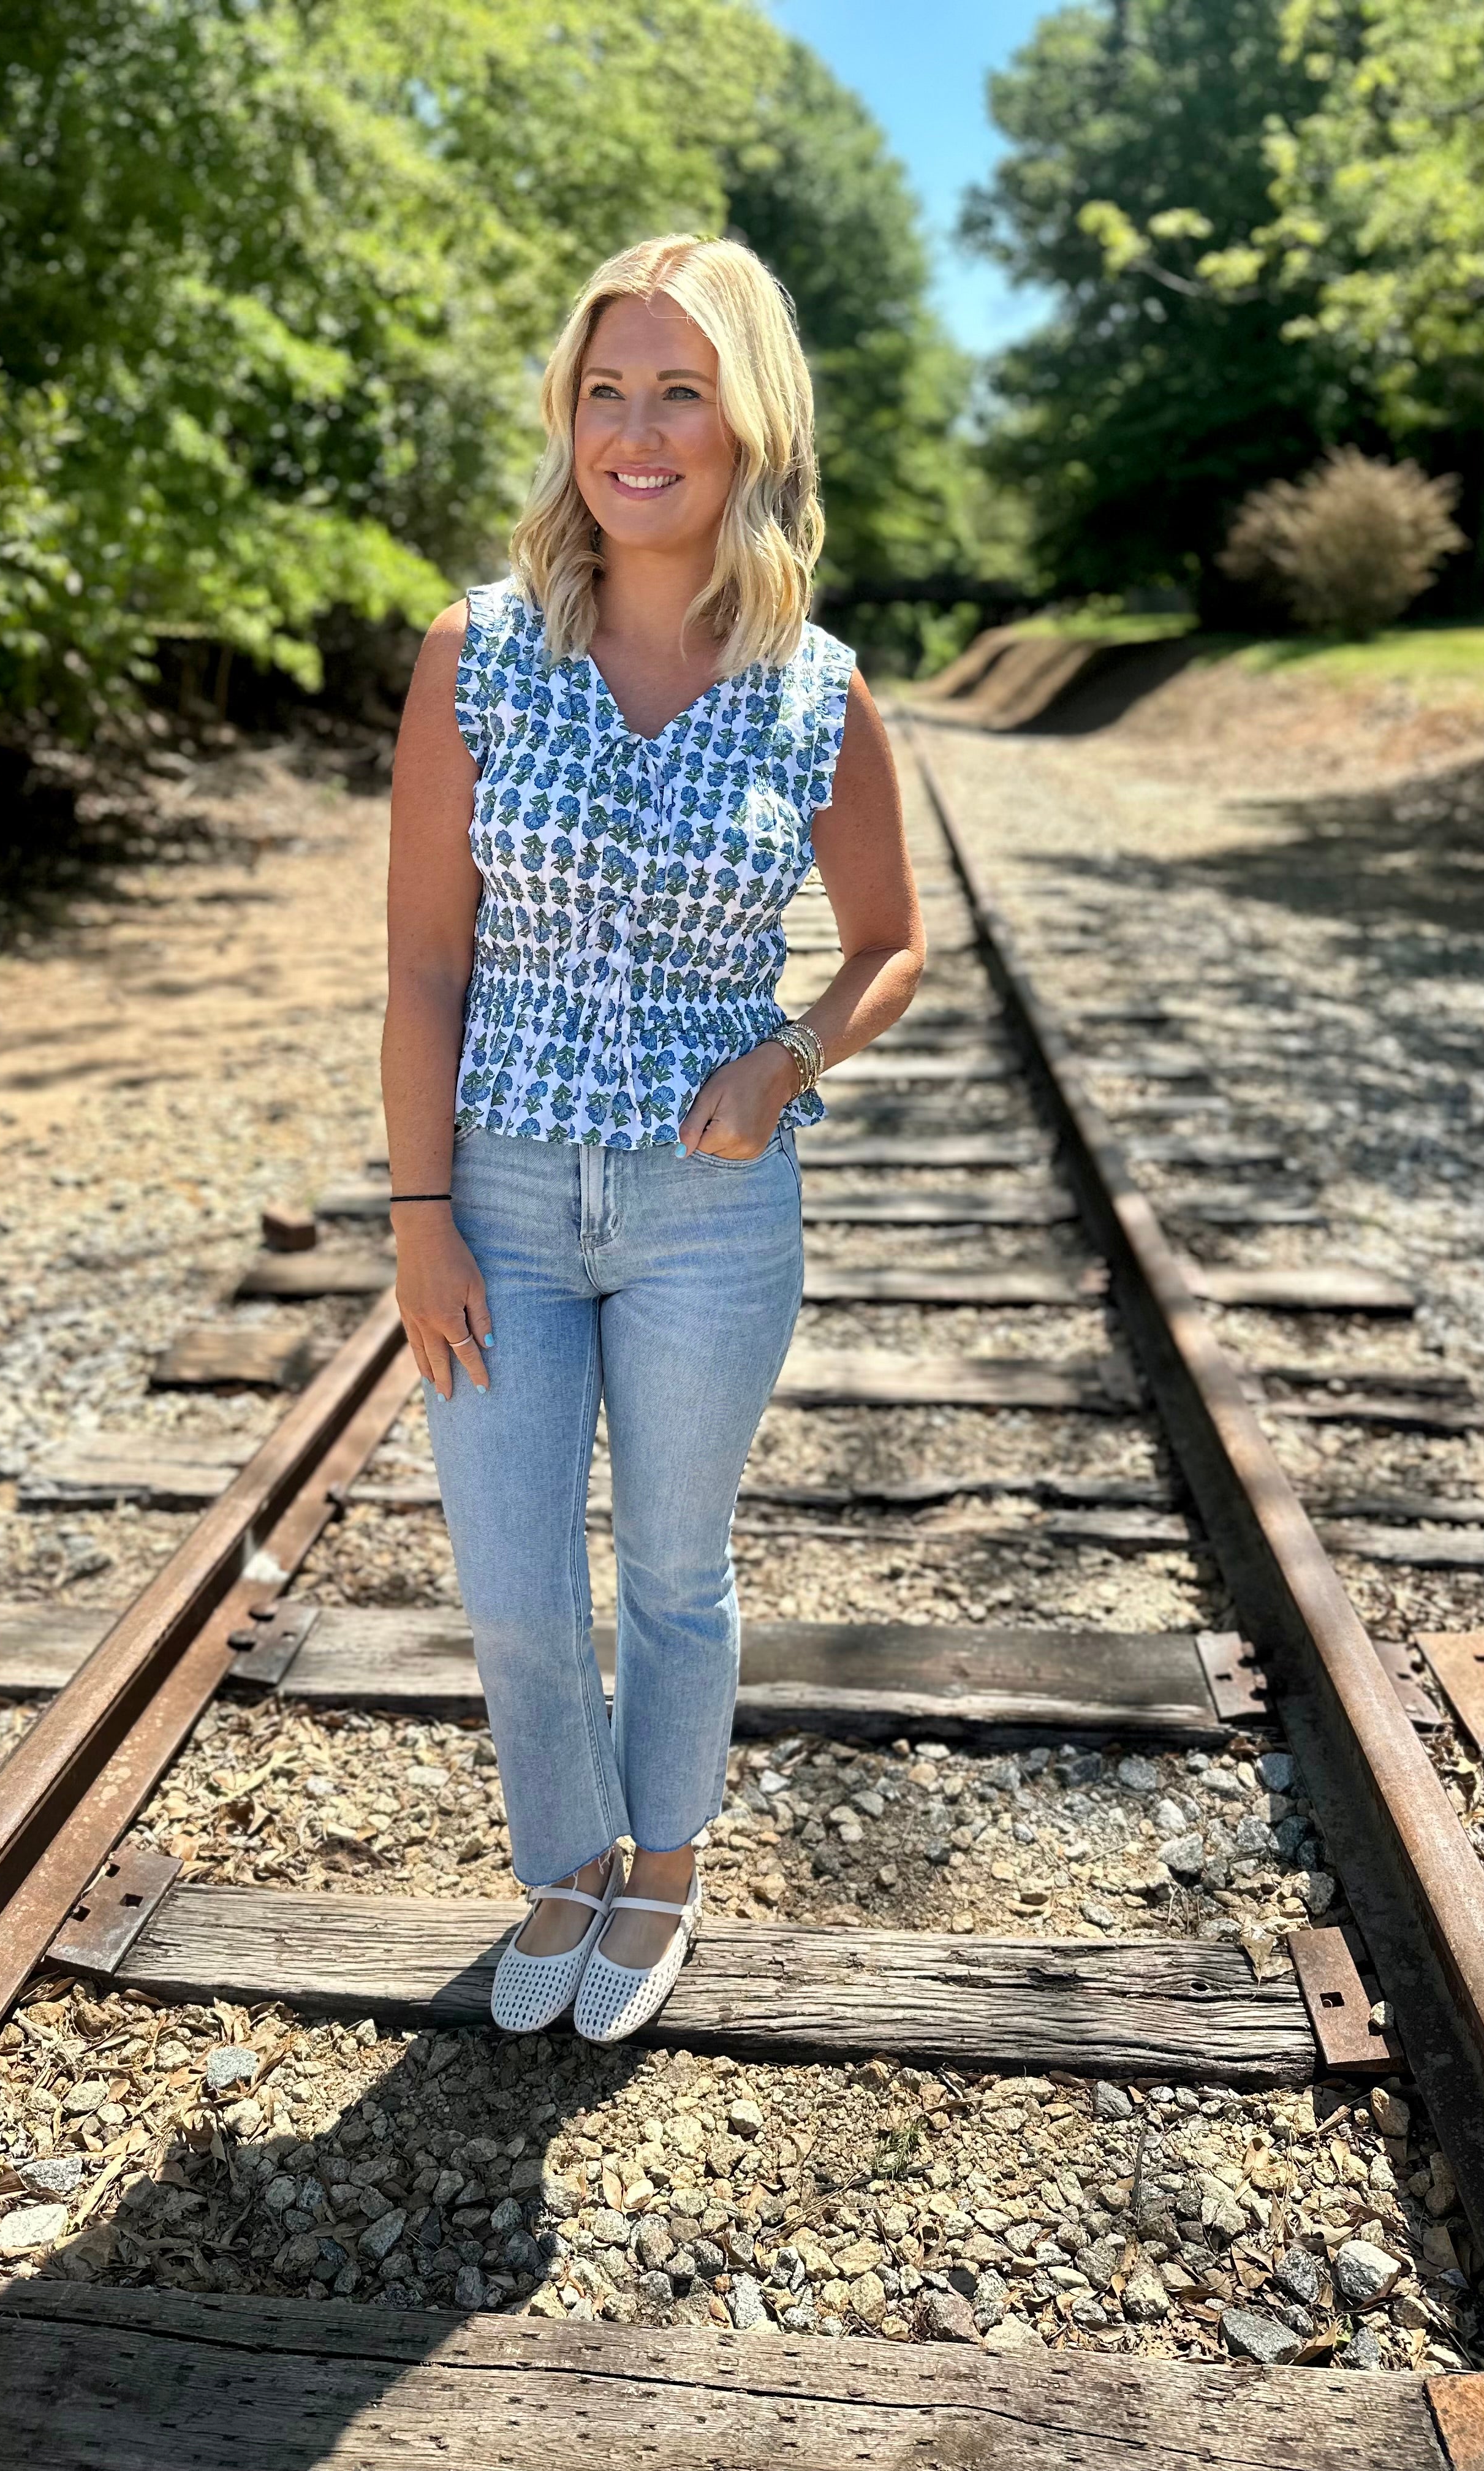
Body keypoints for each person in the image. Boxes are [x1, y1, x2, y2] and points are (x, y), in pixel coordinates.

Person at [382, 231, 923, 2043]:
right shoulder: (474, 656)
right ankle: (564, 1861)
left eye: (678, 390)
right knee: (517, 1580)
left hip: (713, 1211)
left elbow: (893, 947)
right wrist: (419, 1216)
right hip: (507, 1196)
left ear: (747, 421)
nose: (637, 430)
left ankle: (665, 1869)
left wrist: (790, 1056)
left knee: (676, 1568)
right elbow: (422, 963)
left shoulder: (816, 687)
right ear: (570, 418)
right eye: (606, 391)